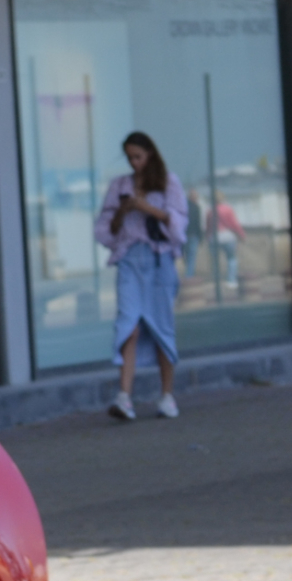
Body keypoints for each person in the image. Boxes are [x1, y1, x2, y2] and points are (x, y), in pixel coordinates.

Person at [92, 131, 187, 421]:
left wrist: (147, 207)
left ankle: (167, 396)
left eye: (139, 157)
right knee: (128, 325)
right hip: (130, 261)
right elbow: (105, 229)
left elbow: (179, 224)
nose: (134, 163)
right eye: (130, 158)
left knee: (161, 329)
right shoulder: (120, 185)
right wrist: (124, 209)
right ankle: (124, 397)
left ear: (150, 154)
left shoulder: (168, 182)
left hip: (159, 261)